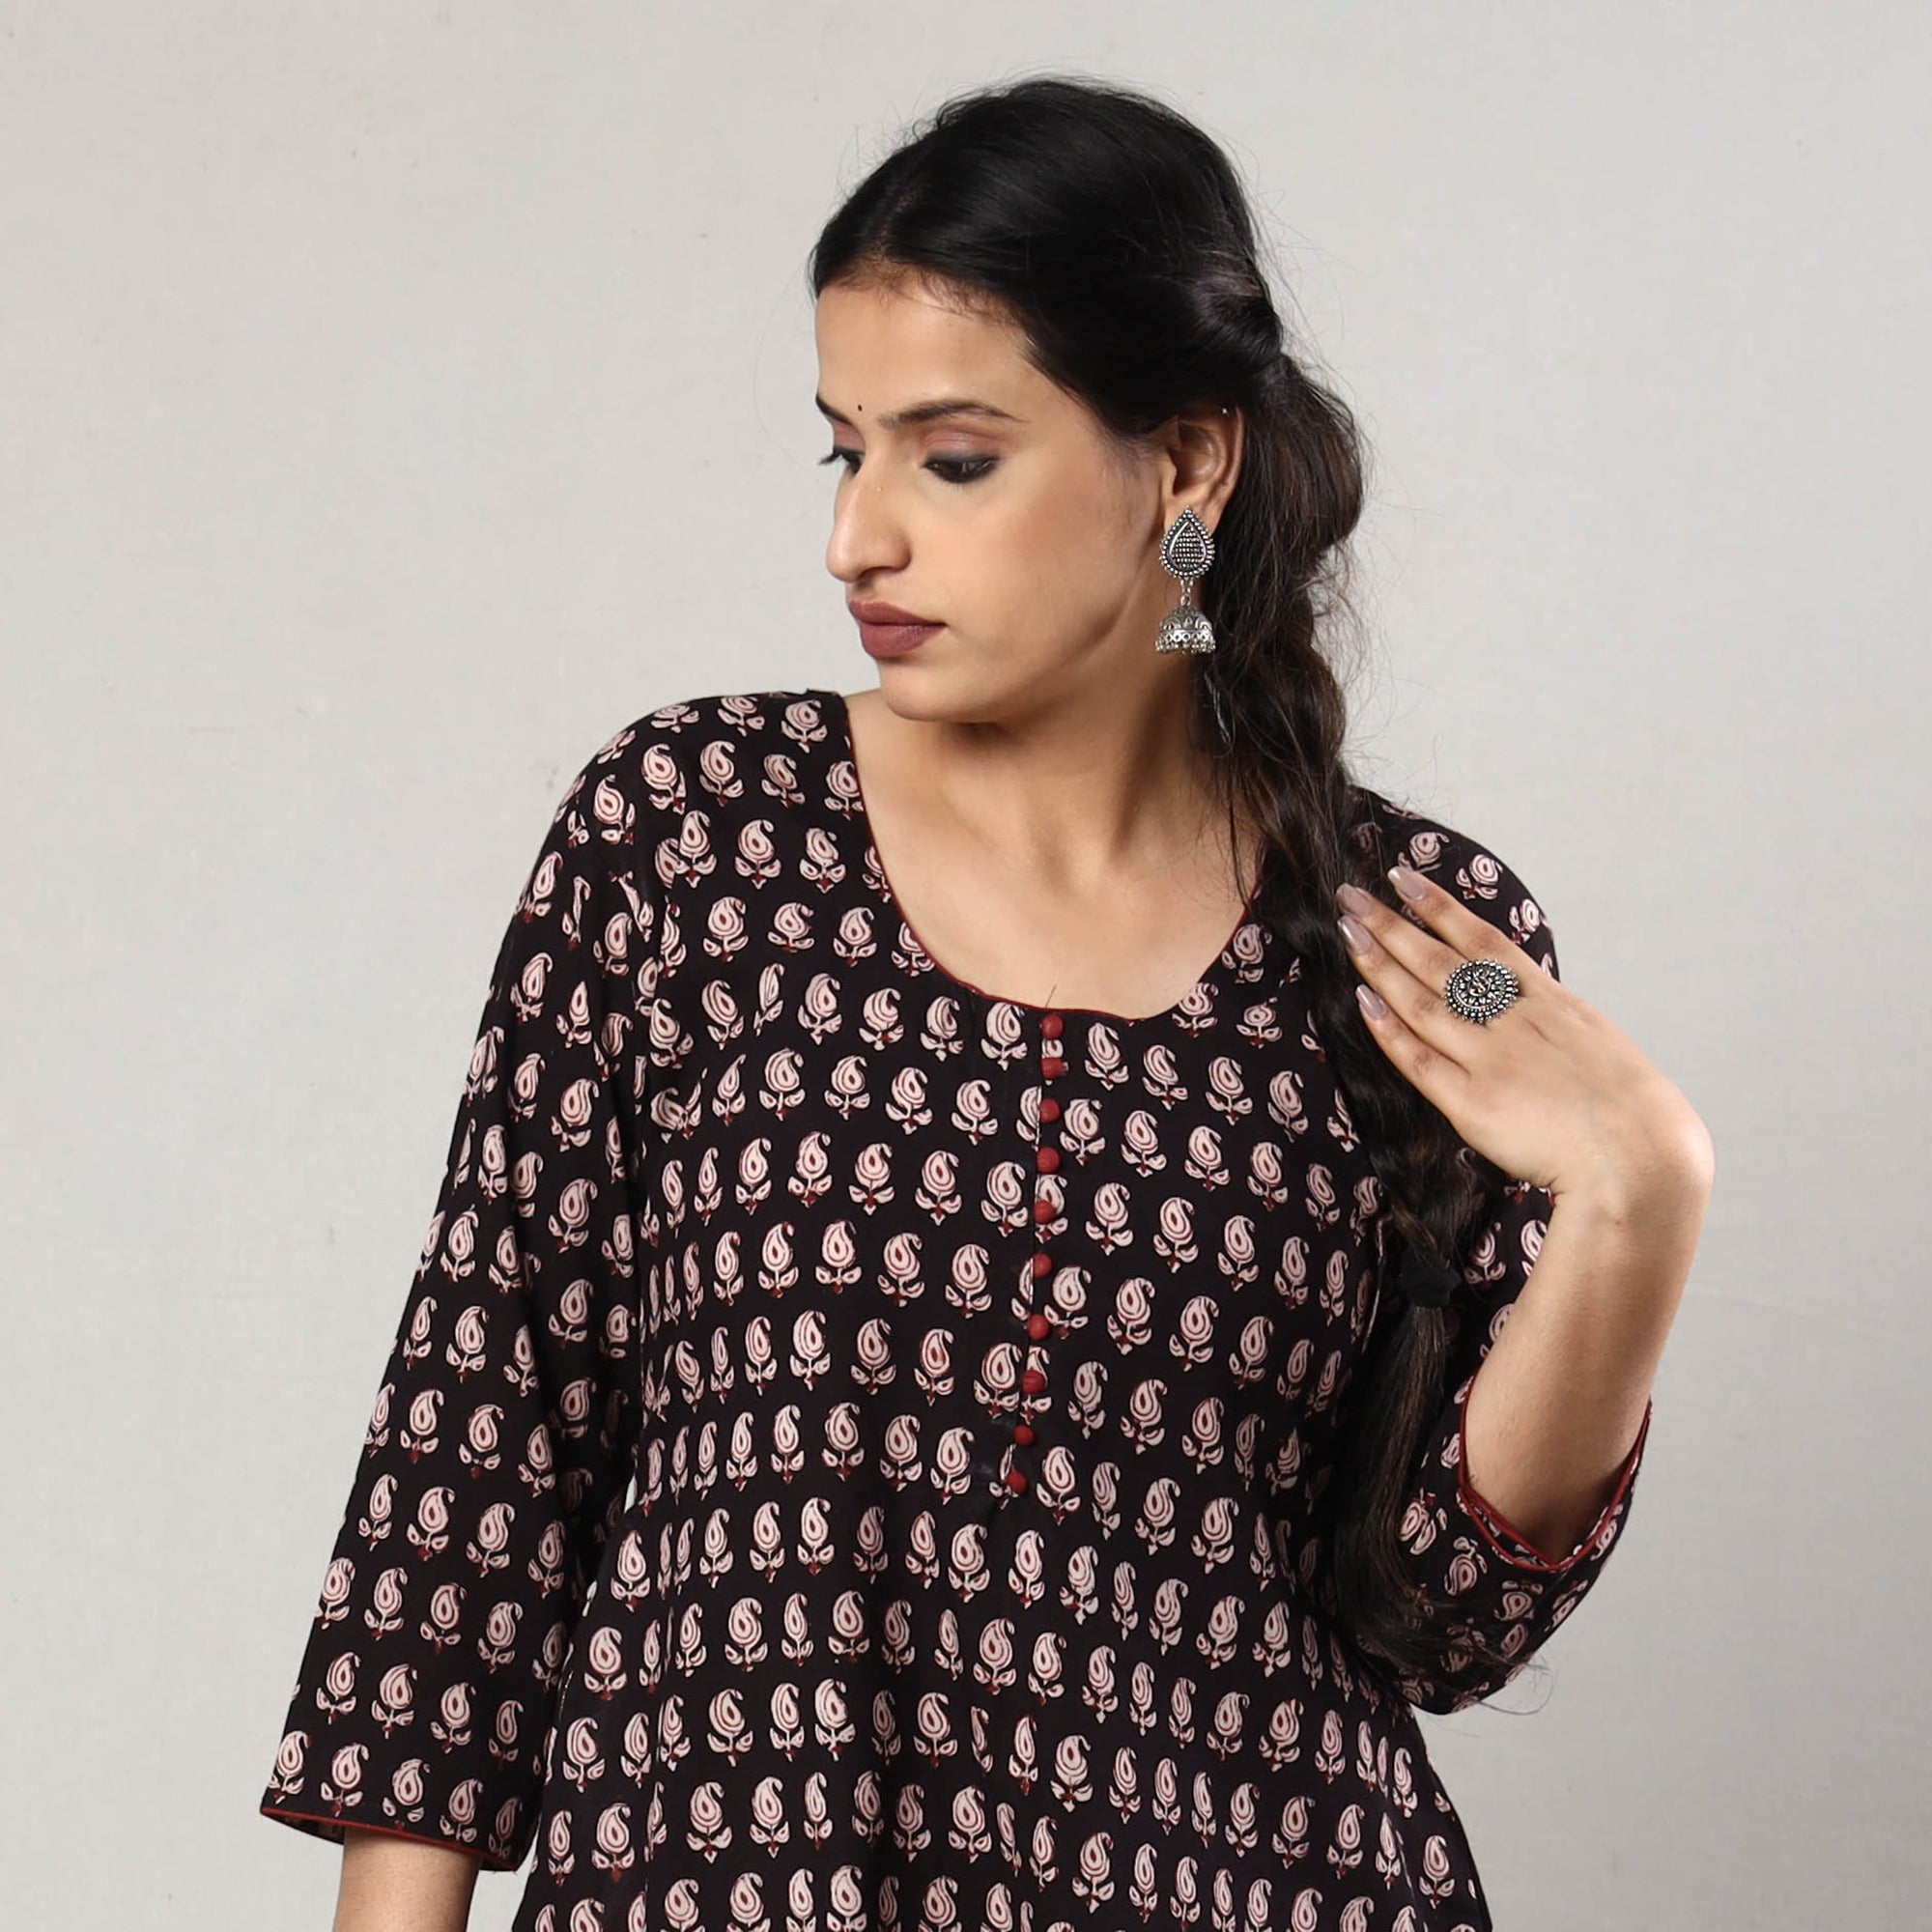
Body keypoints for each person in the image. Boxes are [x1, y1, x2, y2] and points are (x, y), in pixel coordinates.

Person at [257, 73, 1711, 1932]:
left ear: (1188, 466)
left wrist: (1637, 1199)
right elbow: (478, 1484)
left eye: (950, 460)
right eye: (841, 453)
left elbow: (1442, 1620)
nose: (858, 539)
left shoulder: (1429, 942)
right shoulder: (688, 837)